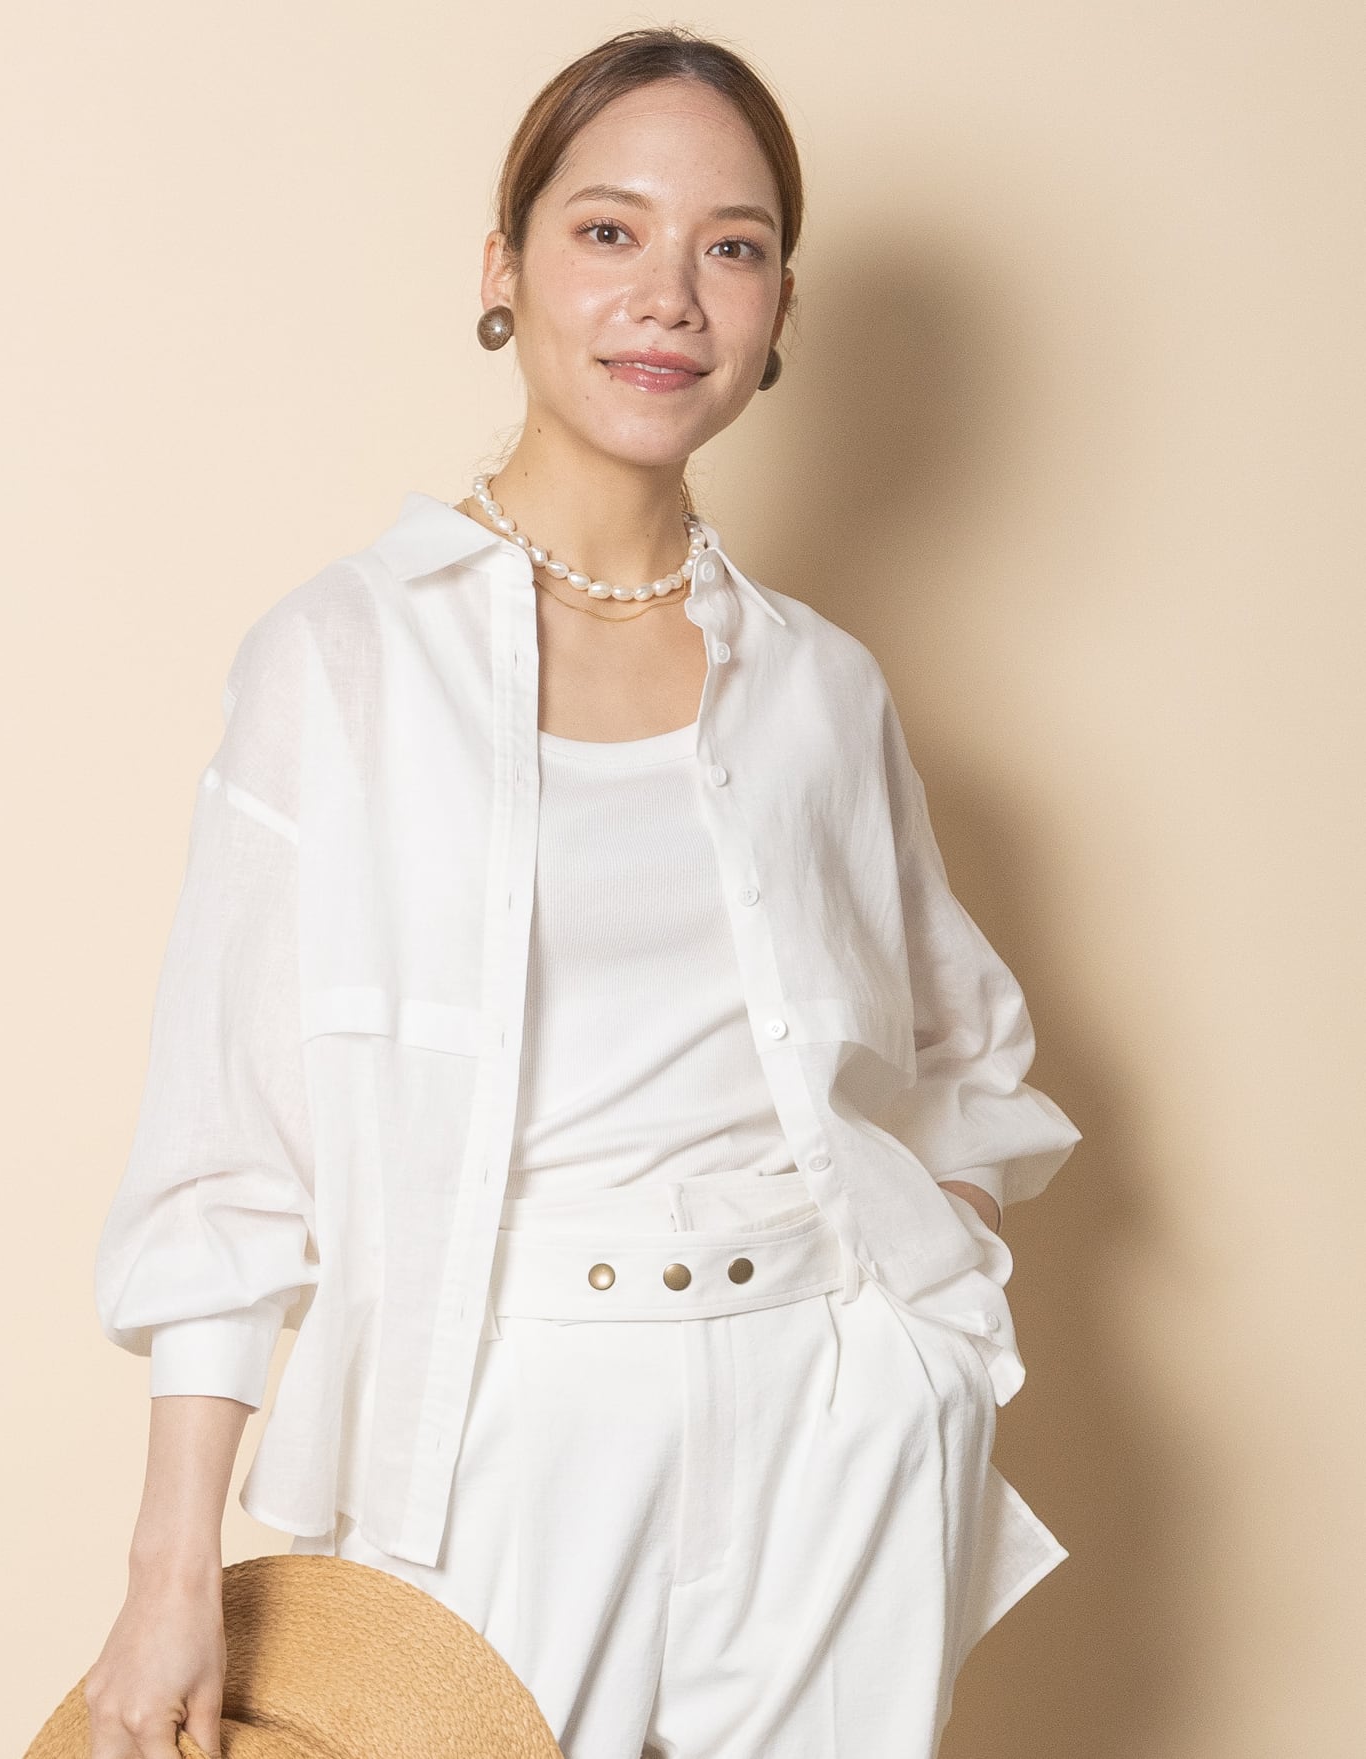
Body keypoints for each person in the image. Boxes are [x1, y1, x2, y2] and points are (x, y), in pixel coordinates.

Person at [84, 26, 1082, 1759]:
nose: (668, 296)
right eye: (608, 230)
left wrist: (923, 1341)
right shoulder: (345, 661)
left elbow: (953, 1055)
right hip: (500, 1426)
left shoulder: (821, 689)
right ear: (504, 269)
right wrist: (170, 1568)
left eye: (731, 247)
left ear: (778, 308)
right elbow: (227, 1154)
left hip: (830, 1430)